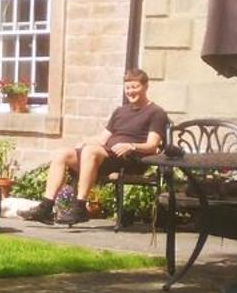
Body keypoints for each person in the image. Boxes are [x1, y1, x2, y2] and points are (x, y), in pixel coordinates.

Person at [20, 69, 170, 224]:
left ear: (145, 87)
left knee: (90, 151)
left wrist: (131, 146)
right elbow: (102, 138)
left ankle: (80, 208)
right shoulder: (120, 111)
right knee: (62, 153)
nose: (130, 92)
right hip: (106, 156)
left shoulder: (156, 113)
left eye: (135, 87)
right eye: (127, 88)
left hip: (130, 160)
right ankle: (46, 207)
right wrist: (86, 141)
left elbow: (152, 146)